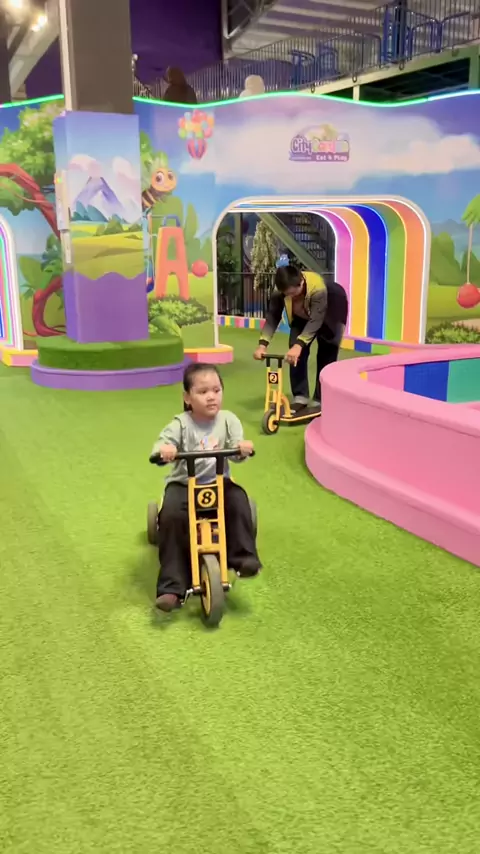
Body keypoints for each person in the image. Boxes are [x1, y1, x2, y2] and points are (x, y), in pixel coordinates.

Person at [151, 363, 261, 612]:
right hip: (183, 484)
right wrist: (165, 451)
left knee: (238, 499)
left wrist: (242, 448)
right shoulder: (180, 424)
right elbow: (161, 445)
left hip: (218, 482)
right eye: (203, 392)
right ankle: (171, 586)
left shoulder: (228, 420)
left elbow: (237, 449)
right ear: (187, 397)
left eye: (216, 390)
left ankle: (242, 558)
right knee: (171, 515)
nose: (211, 396)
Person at [253, 264, 348, 408]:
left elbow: (316, 320)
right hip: (302, 313)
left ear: (301, 282)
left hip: (333, 306)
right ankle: (300, 396)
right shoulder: (280, 290)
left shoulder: (317, 288)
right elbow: (273, 317)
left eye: (294, 293)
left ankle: (321, 398)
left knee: (327, 350)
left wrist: (300, 345)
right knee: (294, 350)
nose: (292, 297)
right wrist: (262, 345)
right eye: (288, 295)